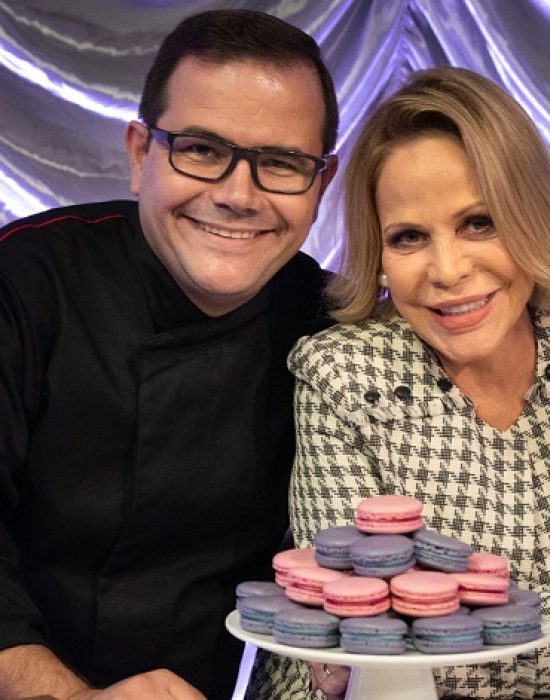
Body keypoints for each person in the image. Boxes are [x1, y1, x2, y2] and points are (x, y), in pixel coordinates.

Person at [250, 67, 550, 698]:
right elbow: (360, 663)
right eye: (409, 237)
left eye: (479, 223)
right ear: (380, 257)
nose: (447, 269)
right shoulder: (341, 376)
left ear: (531, 214)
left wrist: (457, 655)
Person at [0, 9, 340, 700]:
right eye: (202, 149)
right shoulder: (24, 281)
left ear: (321, 185)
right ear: (139, 154)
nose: (238, 195)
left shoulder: (331, 326)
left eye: (281, 164)